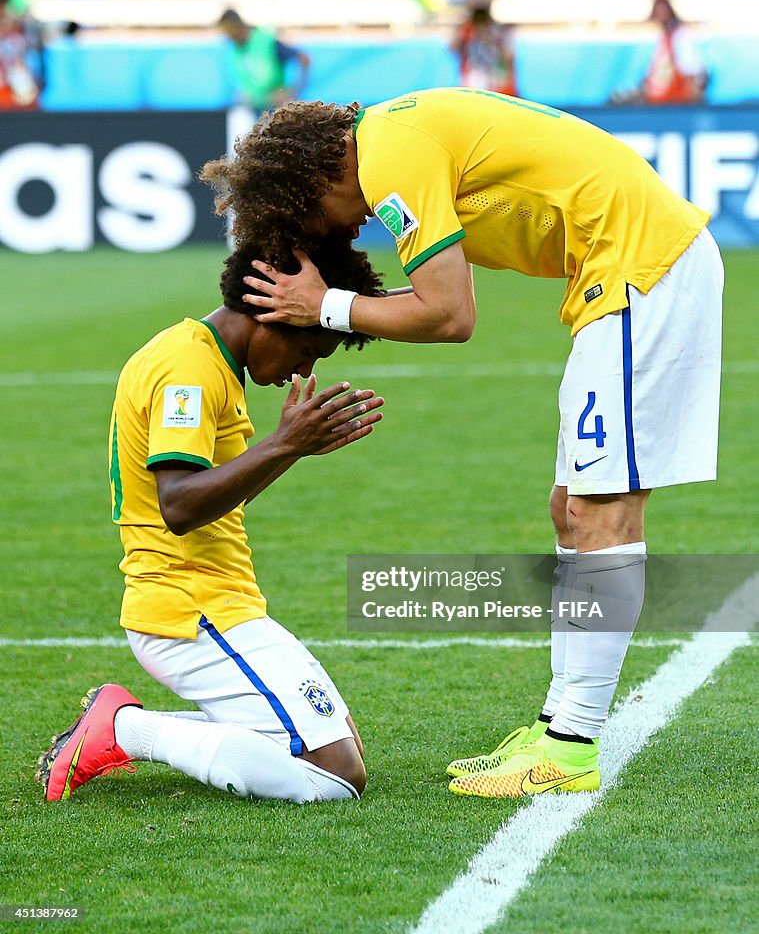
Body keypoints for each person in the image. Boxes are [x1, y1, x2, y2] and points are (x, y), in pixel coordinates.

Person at [204, 88, 723, 798]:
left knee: (602, 513)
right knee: (570, 506)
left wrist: (318, 304)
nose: (340, 234)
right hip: (621, 277)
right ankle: (555, 726)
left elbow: (449, 315)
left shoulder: (388, 154)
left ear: (313, 176)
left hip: (642, 272)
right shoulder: (400, 137)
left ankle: (570, 745)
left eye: (311, 219)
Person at [36, 239, 385, 805]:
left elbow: (218, 496)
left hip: (217, 601)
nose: (304, 368)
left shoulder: (210, 358)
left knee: (333, 747)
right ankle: (124, 729)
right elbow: (179, 505)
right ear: (269, 314)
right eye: (306, 348)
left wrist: (290, 448)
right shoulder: (189, 368)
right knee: (336, 776)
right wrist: (283, 444)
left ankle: (122, 726)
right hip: (189, 608)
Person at [613, 0, 708, 105]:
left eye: (663, 12)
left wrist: (691, 97)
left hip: (675, 101)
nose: (660, 16)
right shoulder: (660, 38)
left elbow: (692, 69)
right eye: (657, 13)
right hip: (657, 99)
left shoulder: (680, 36)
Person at [218, 7, 311, 113]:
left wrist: (293, 91)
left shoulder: (266, 40)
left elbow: (304, 58)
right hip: (255, 108)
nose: (230, 38)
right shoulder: (236, 47)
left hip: (276, 109)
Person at [451, 0, 518, 96]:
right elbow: (454, 49)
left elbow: (508, 55)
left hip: (494, 74)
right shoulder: (467, 31)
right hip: (474, 74)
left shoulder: (498, 31)